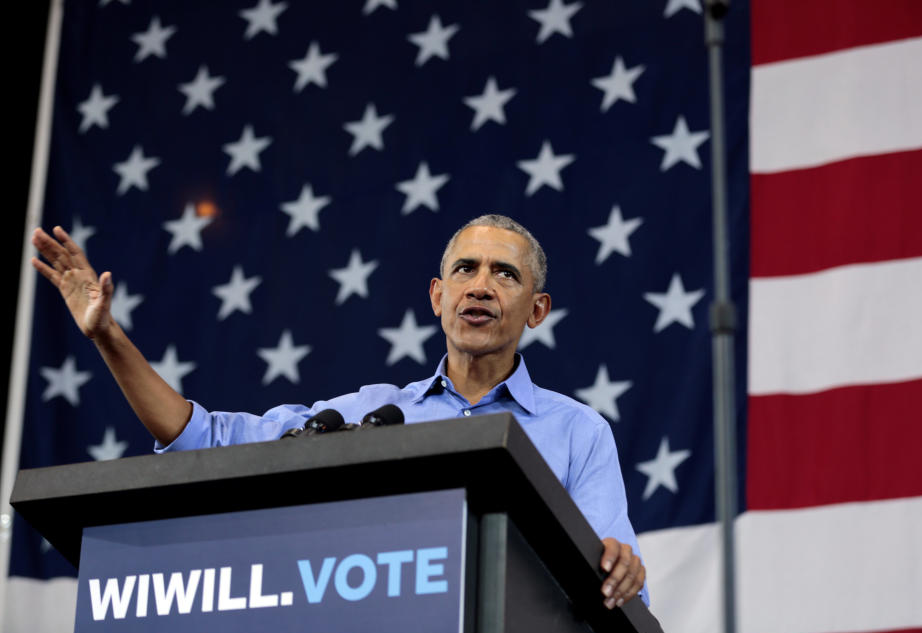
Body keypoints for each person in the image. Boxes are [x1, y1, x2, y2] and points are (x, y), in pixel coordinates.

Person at [31, 214, 648, 609]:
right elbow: (203, 437)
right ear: (439, 296)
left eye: (503, 275)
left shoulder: (577, 432)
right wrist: (107, 335)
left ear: (536, 310)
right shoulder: (370, 413)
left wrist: (621, 571)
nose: (480, 286)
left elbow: (613, 574)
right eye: (465, 269)